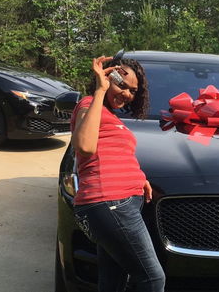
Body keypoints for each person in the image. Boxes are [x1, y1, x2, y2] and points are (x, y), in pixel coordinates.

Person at [70, 54, 166, 292]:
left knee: (112, 281)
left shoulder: (110, 116)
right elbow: (84, 145)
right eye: (121, 84)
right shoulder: (89, 104)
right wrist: (100, 90)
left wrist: (139, 177)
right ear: (106, 78)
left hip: (114, 205)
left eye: (133, 90)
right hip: (110, 204)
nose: (126, 94)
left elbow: (114, 153)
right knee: (152, 279)